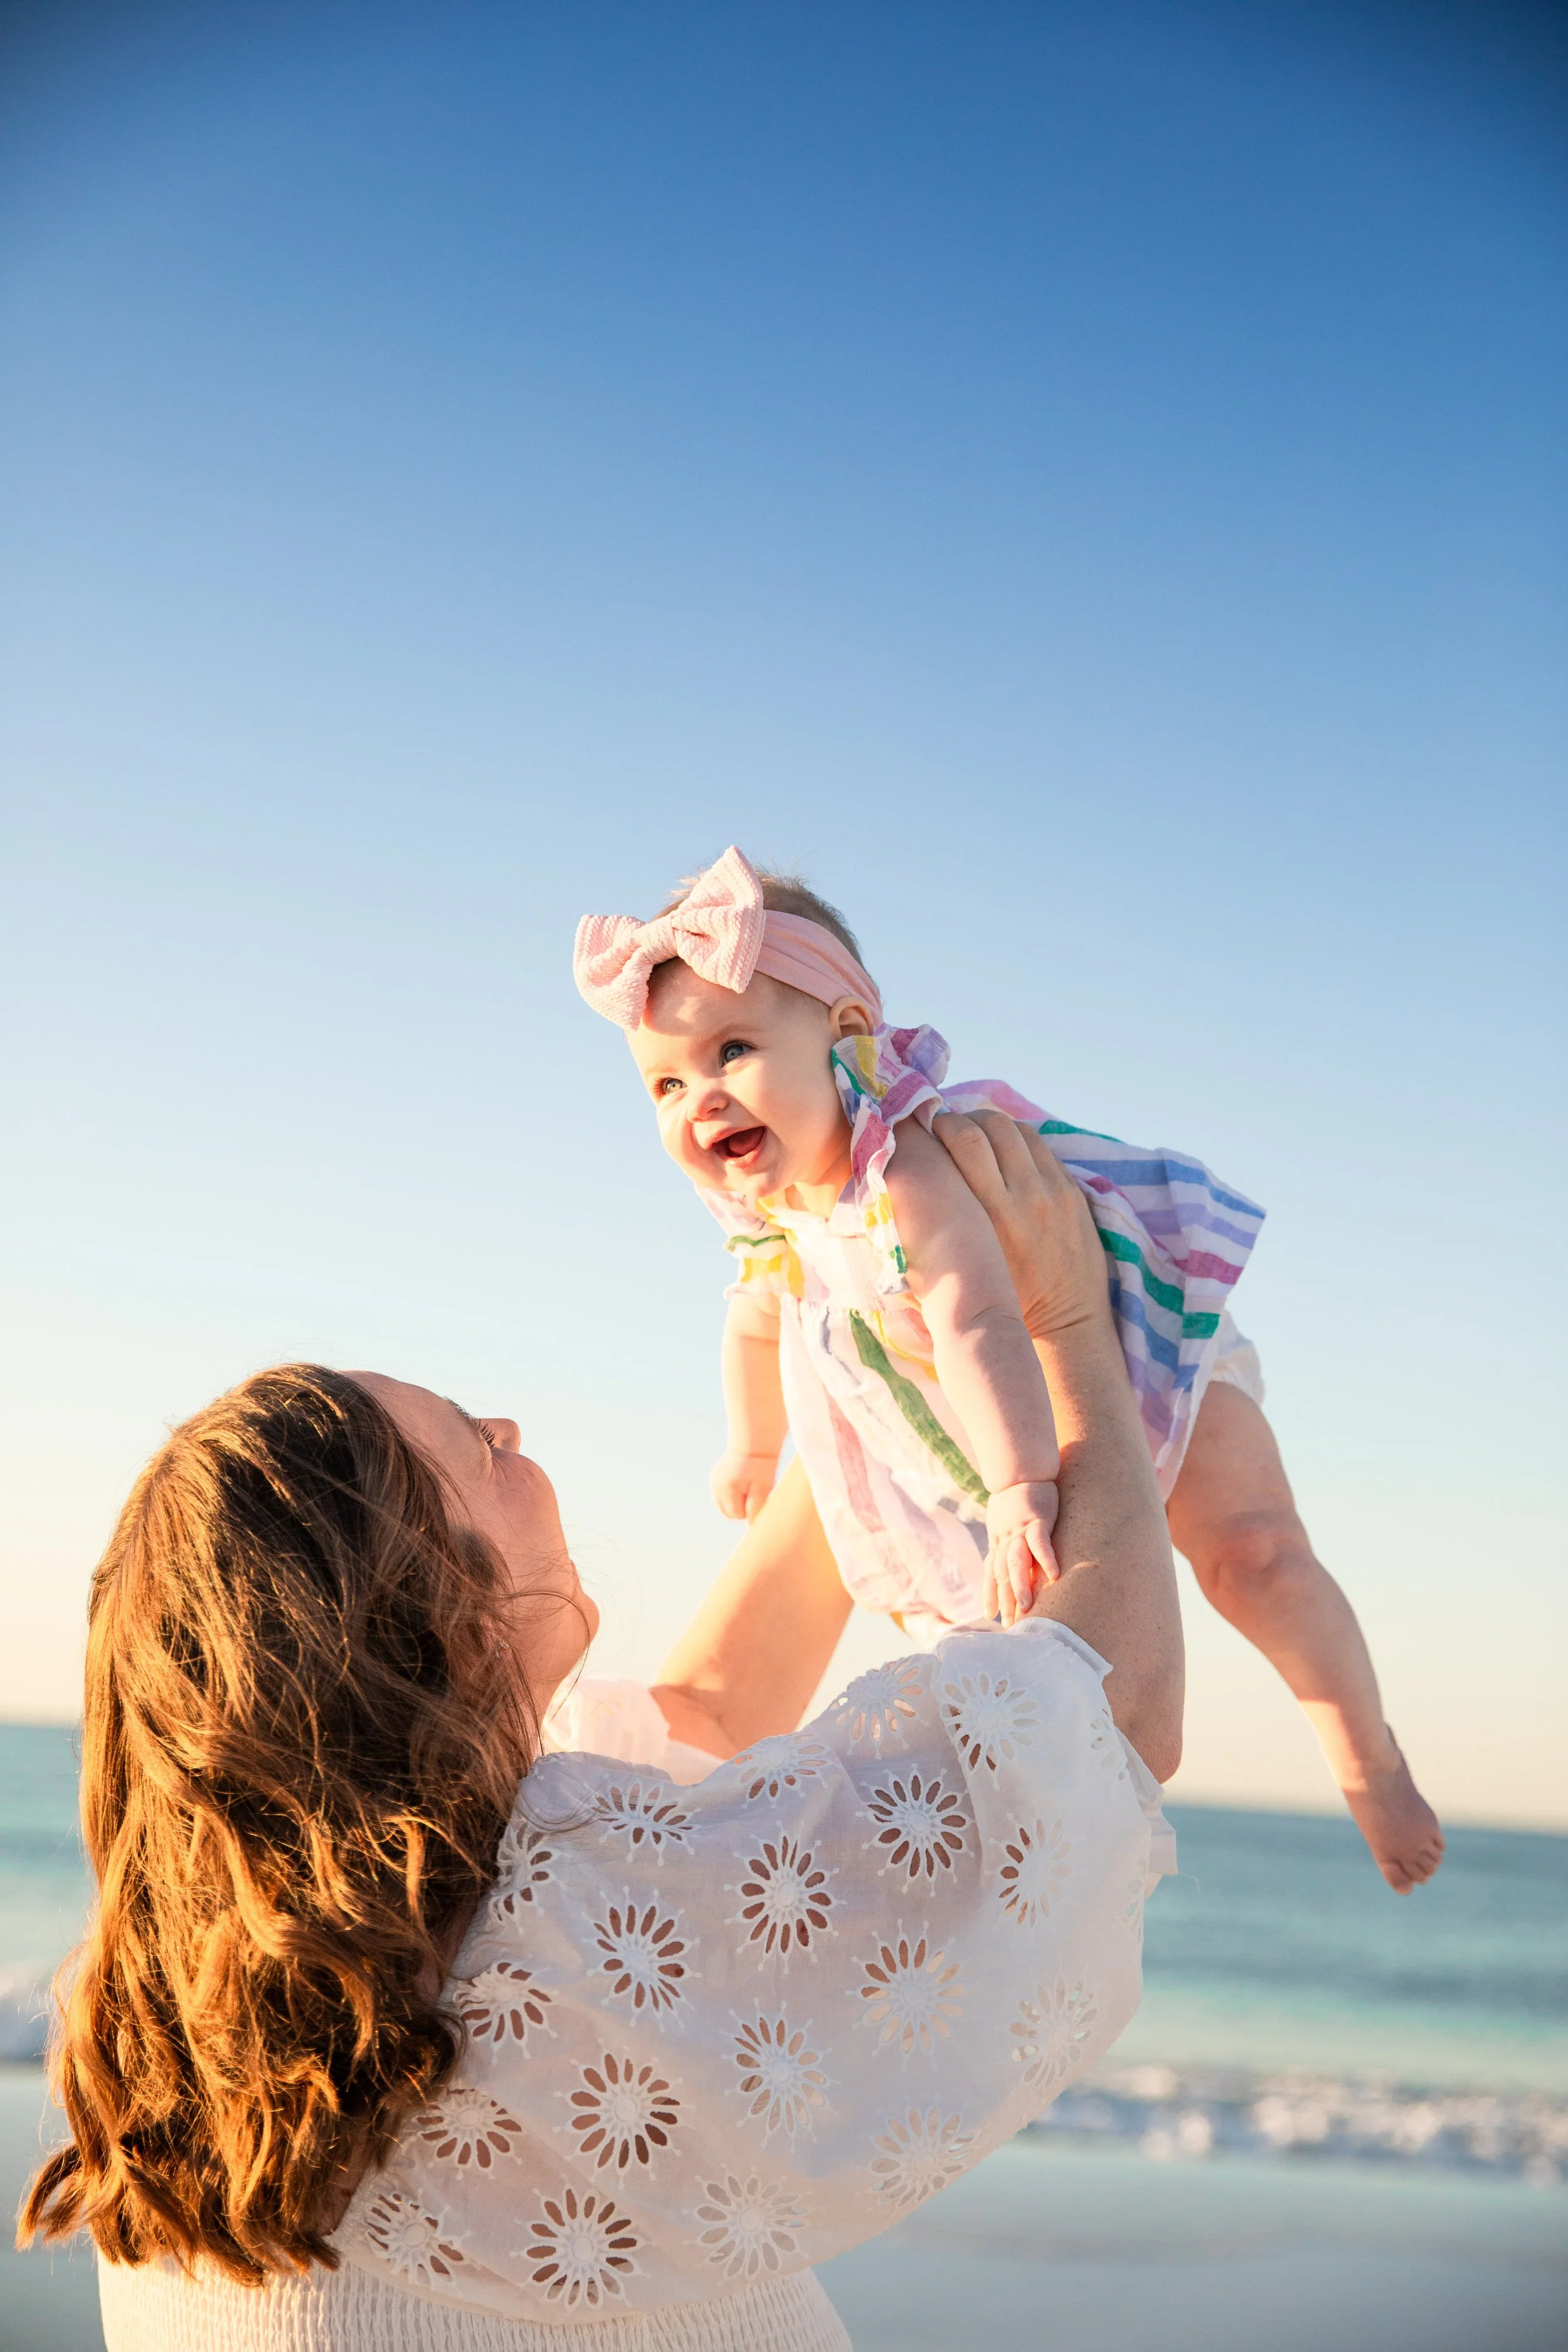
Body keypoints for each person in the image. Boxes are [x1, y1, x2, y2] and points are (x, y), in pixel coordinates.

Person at [23, 1119, 1179, 2350]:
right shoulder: (547, 1966)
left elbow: (709, 1715)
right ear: (433, 1610)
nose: (515, 1433)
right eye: (479, 1444)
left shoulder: (189, 2025)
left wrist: (849, 1383)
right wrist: (1066, 1328)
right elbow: (1102, 1718)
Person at [575, 845, 1443, 1894]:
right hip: (985, 1426)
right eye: (667, 1082)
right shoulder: (772, 1215)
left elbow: (977, 1316)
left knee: (1255, 1552)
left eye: (734, 1049)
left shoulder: (909, 1166)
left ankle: (1365, 1753)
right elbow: (757, 1319)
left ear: (847, 1038)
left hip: (1136, 1348)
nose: (701, 1099)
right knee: (1027, 1650)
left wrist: (1023, 1484)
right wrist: (753, 1445)